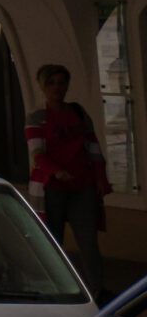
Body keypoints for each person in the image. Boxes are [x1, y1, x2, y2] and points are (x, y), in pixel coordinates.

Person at [27, 62, 107, 298]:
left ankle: (97, 289)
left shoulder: (78, 113)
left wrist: (100, 180)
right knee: (53, 242)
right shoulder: (37, 117)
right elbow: (37, 152)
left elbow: (93, 148)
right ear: (43, 87)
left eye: (62, 83)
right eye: (51, 83)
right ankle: (57, 289)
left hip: (81, 185)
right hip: (51, 188)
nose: (57, 88)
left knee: (88, 241)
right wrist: (57, 171)